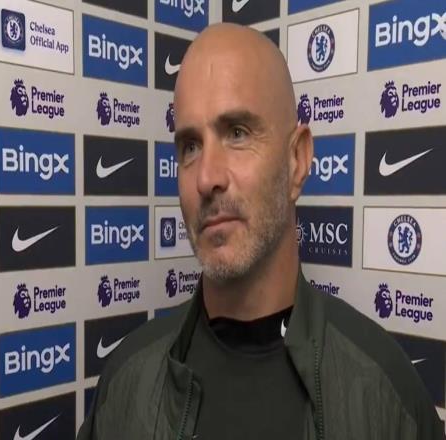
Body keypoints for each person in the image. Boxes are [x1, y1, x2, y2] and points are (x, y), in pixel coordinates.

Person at [77, 23, 445, 439]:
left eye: (237, 133)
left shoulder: (384, 395)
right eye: (190, 147)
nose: (207, 178)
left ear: (297, 161)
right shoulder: (126, 387)